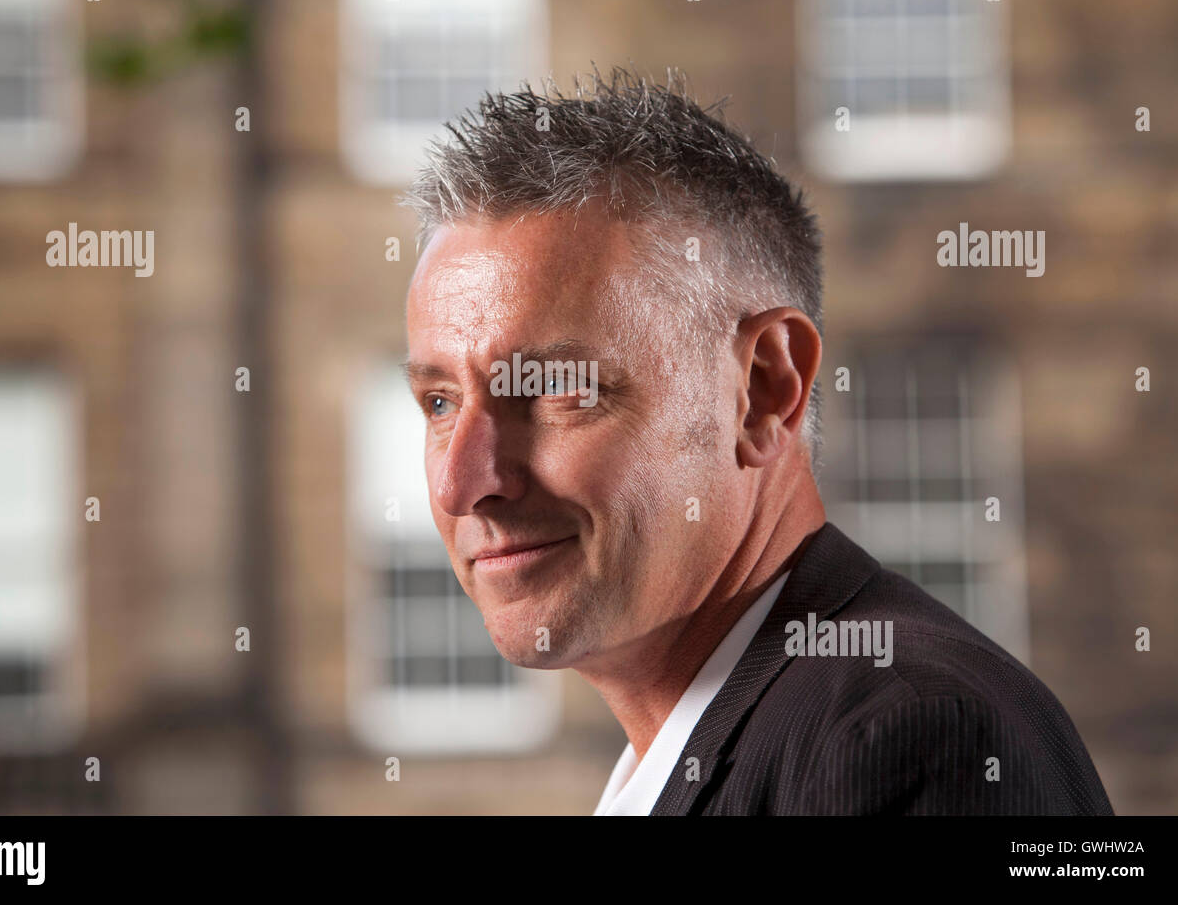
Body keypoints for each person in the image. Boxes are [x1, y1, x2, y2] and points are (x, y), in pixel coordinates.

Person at [399, 68, 1112, 815]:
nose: (461, 483)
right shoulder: (713, 751)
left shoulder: (908, 743)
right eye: (440, 401)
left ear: (765, 391)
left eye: (553, 388)